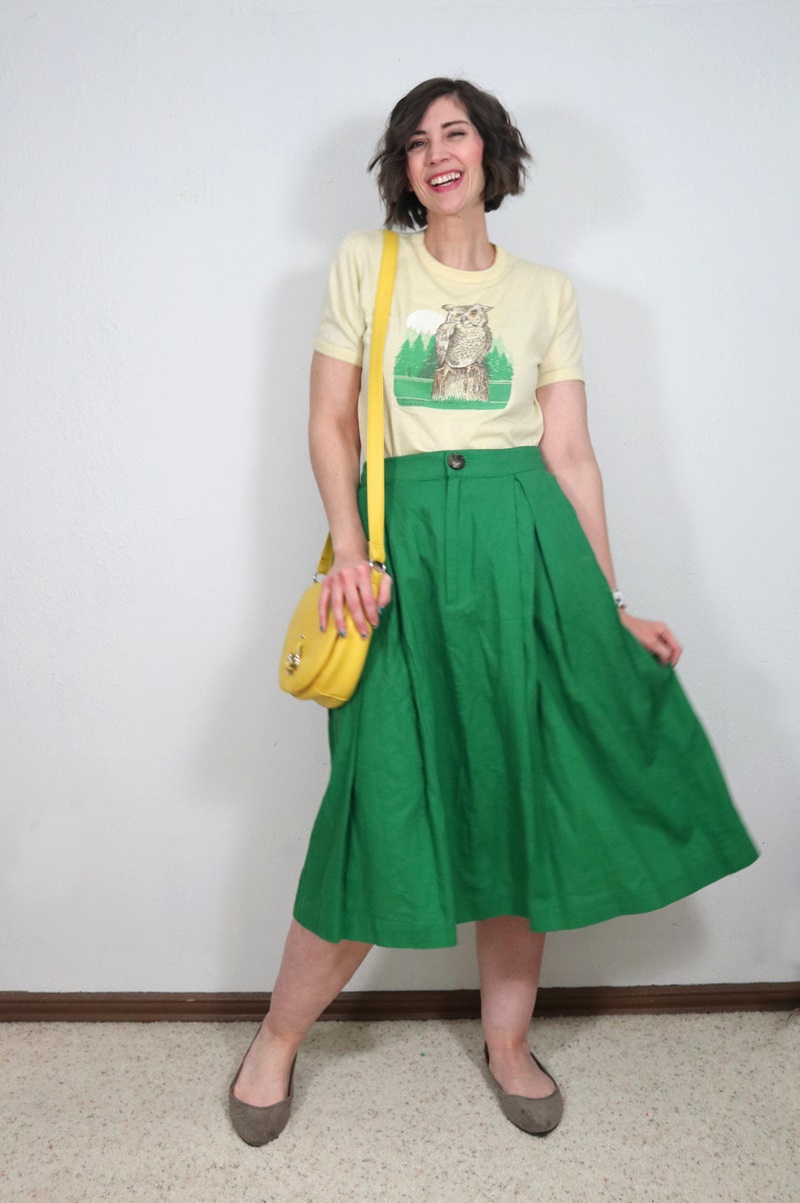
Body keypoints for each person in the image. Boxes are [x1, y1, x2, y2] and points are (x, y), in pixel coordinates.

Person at [228, 78, 758, 1145]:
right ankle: (277, 1039)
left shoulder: (545, 291)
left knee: (521, 802)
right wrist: (349, 547)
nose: (438, 153)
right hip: (402, 559)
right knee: (377, 806)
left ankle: (507, 1044)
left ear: (488, 152)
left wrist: (608, 603)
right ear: (403, 168)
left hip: (525, 551)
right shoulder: (366, 263)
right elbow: (330, 422)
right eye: (416, 141)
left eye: (455, 132)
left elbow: (570, 455)